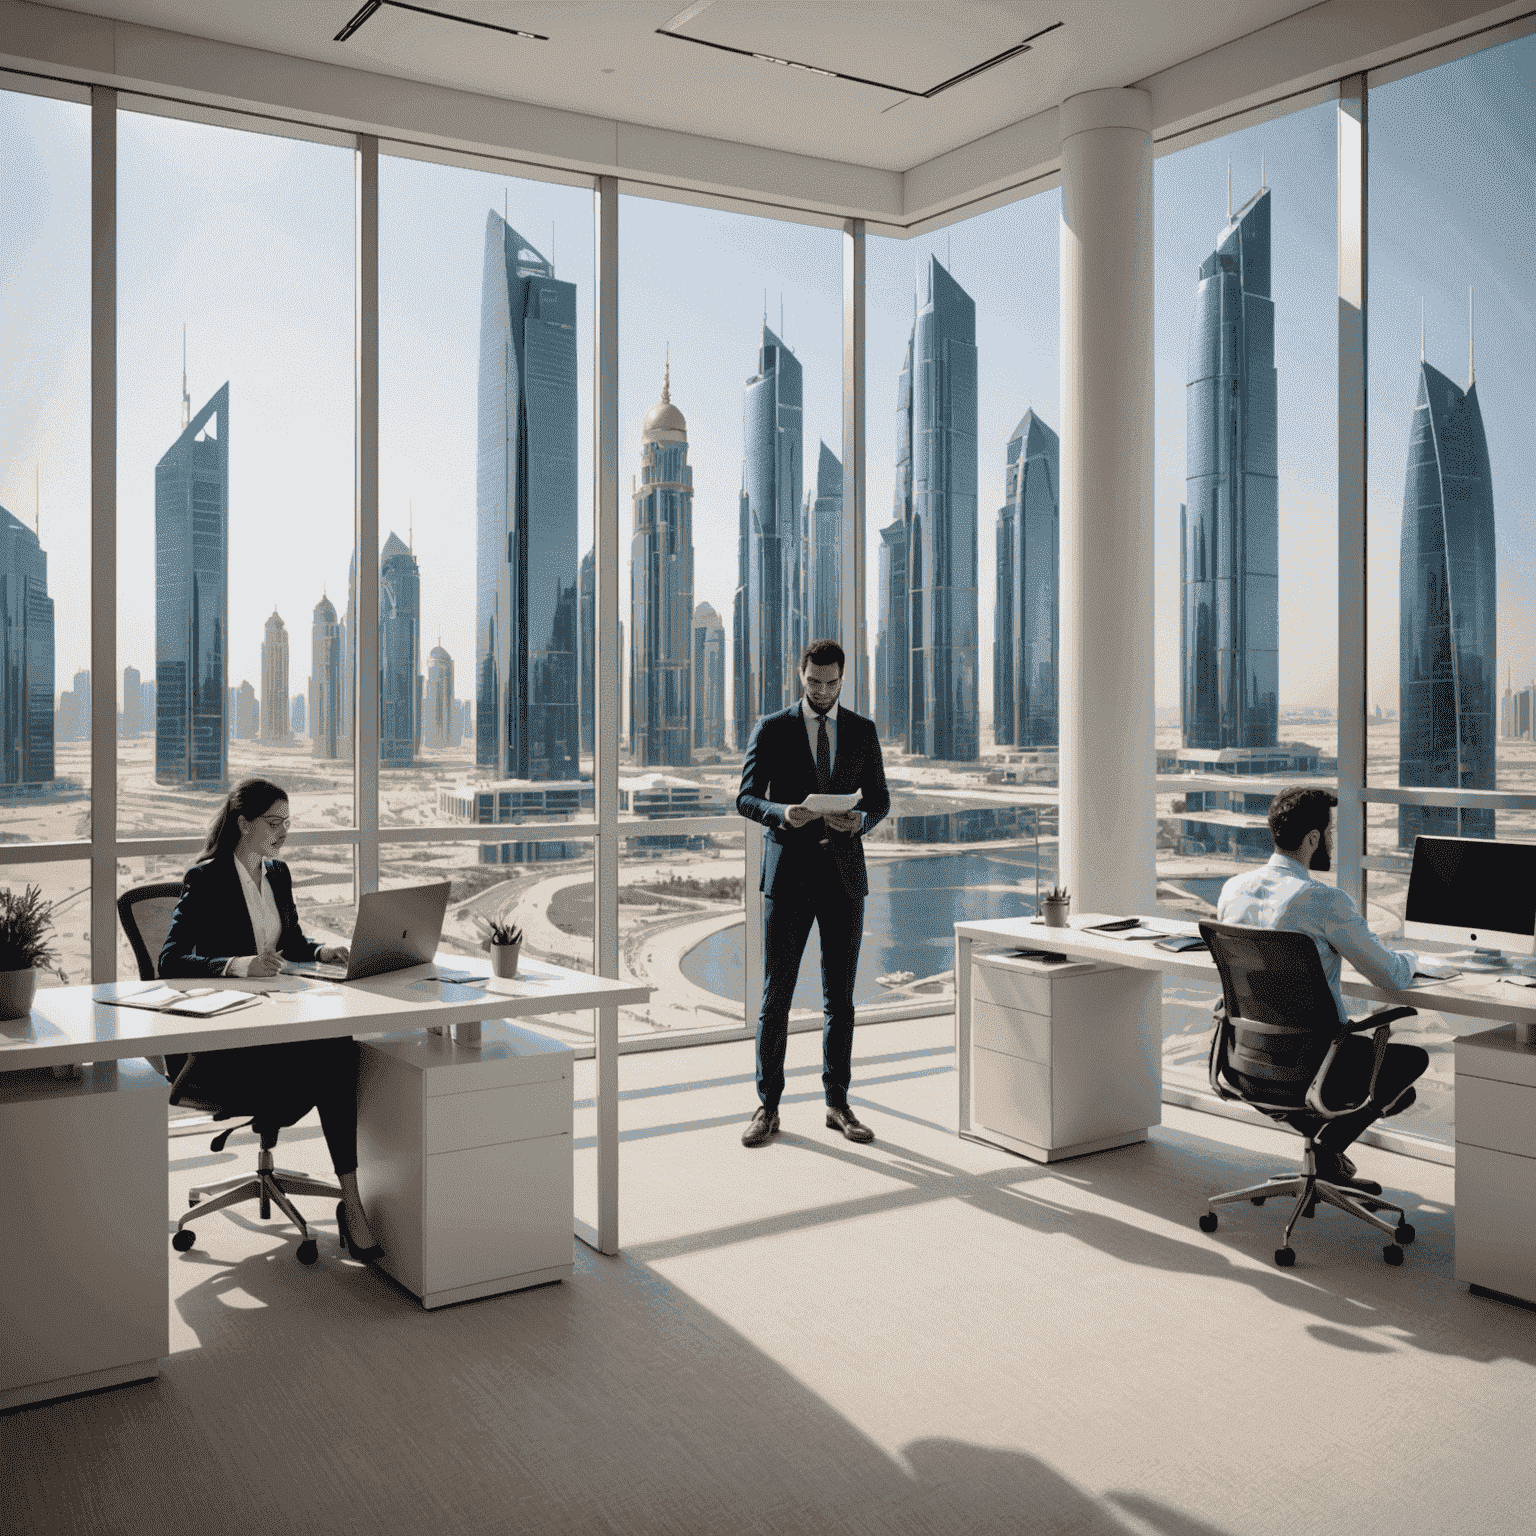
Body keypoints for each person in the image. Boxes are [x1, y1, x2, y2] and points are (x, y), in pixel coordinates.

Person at [159, 776, 382, 1261]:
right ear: (244, 823)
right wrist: (239, 965)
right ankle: (353, 1203)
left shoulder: (277, 873)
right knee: (332, 1053)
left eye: (287, 823)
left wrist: (325, 950)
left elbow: (292, 943)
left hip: (275, 1021)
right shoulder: (207, 878)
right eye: (273, 822)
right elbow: (170, 960)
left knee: (339, 1043)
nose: (283, 832)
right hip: (224, 1040)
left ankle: (352, 1197)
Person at [1215, 784, 1429, 1185]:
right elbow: (1391, 975)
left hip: (1246, 1058)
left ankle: (1324, 1148)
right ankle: (1327, 1146)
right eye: (1328, 833)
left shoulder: (1232, 891)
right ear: (1313, 838)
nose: (1329, 841)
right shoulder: (1324, 900)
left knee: (1390, 1089)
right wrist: (1416, 958)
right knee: (1411, 1064)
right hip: (1310, 1064)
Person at [736, 639, 890, 1146]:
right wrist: (782, 813)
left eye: (831, 683)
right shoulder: (772, 728)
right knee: (775, 996)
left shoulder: (863, 732)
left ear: (843, 679)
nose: (822, 692)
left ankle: (837, 1103)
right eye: (814, 682)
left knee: (840, 999)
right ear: (800, 675)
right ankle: (768, 1108)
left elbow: (881, 801)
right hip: (788, 878)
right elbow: (746, 797)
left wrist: (859, 820)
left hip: (844, 879)